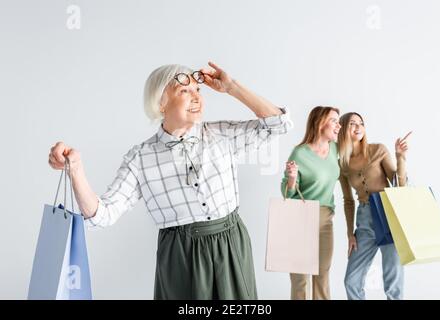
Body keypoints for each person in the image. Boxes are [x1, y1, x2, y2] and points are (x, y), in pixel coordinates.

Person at [48, 62, 292, 299]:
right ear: (161, 103)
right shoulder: (141, 158)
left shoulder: (221, 134)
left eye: (197, 89)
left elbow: (278, 124)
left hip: (231, 244)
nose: (196, 97)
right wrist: (76, 170)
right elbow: (102, 215)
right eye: (184, 90)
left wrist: (232, 87)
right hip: (181, 256)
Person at [338, 112, 410, 300]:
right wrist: (349, 234)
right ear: (343, 128)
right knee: (351, 281)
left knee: (392, 282)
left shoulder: (378, 150)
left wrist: (401, 158)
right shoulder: (342, 164)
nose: (358, 127)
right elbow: (347, 201)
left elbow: (399, 185)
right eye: (352, 123)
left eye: (361, 123)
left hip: (388, 216)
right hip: (363, 221)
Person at [281, 106, 341, 300]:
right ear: (320, 122)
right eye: (334, 120)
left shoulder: (335, 149)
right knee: (300, 278)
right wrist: (291, 178)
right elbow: (286, 192)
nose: (338, 125)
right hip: (300, 218)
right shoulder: (299, 153)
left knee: (322, 275)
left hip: (325, 219)